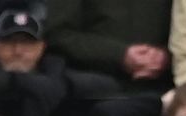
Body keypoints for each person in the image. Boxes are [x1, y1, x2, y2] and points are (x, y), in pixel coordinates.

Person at [43, 0, 174, 91]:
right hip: (94, 80)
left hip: (166, 82)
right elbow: (58, 34)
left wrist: (165, 56)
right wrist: (120, 55)